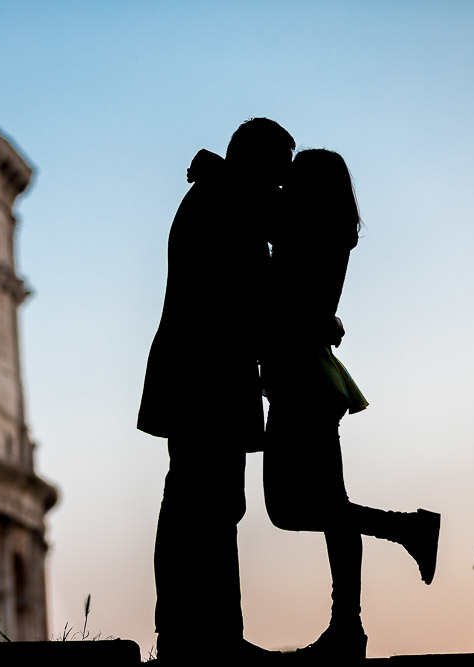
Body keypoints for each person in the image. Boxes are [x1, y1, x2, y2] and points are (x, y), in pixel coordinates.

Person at [260, 149, 441, 659]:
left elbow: (289, 300)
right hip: (312, 380)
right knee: (330, 506)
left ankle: (407, 530)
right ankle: (349, 626)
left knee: (288, 508)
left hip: (300, 382)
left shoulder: (300, 234)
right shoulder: (326, 233)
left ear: (307, 189)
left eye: (293, 180)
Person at [137, 118, 294, 663]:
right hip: (205, 375)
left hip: (200, 373)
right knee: (202, 501)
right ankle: (201, 634)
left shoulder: (223, 196)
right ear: (257, 164)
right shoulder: (228, 202)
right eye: (279, 172)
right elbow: (258, 284)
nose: (283, 185)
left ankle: (200, 631)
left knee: (203, 499)